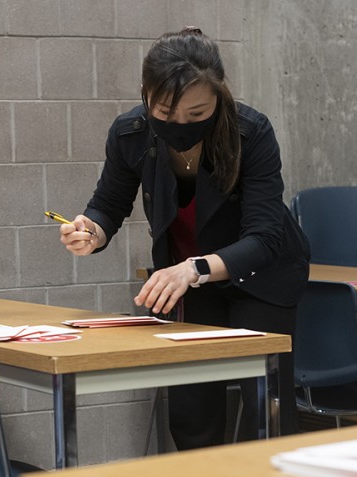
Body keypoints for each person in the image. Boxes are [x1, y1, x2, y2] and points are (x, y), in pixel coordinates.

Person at [57, 27, 310, 449]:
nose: (180, 125)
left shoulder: (251, 132)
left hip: (261, 277)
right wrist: (91, 231)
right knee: (192, 408)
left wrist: (194, 269)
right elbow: (108, 204)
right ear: (146, 94)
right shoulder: (130, 133)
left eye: (196, 114)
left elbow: (265, 238)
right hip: (189, 280)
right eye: (165, 112)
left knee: (268, 405)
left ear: (218, 97)